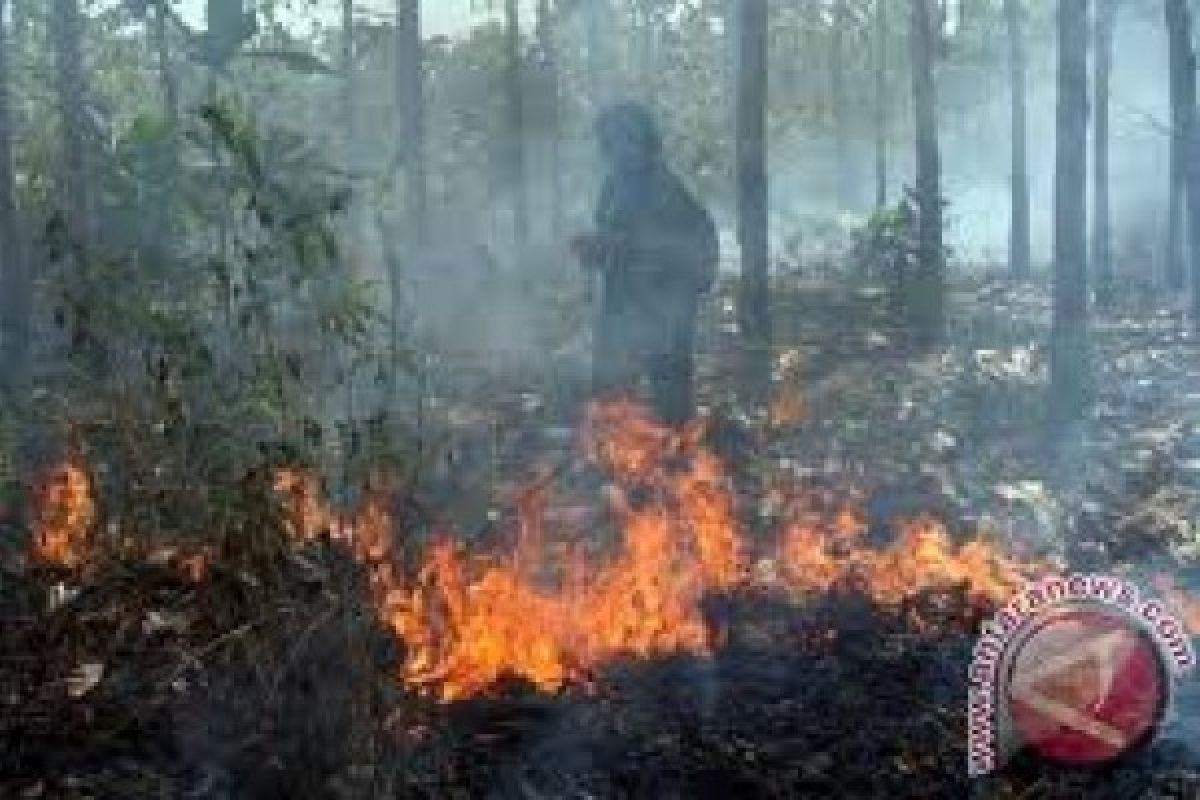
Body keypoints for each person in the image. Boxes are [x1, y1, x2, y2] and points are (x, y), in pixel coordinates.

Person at [571, 102, 718, 426]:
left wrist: (622, 246)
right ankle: (611, 458)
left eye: (627, 139)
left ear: (645, 142)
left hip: (664, 307)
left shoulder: (666, 188)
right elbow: (609, 242)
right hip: (621, 303)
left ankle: (677, 457)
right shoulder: (613, 186)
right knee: (609, 388)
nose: (618, 150)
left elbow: (692, 246)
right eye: (611, 142)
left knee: (669, 397)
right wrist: (594, 251)